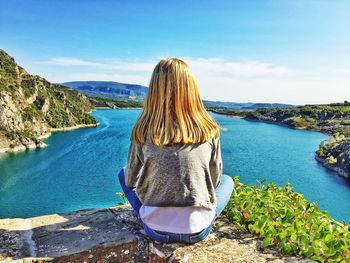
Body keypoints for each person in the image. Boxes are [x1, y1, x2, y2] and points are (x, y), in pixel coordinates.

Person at [118, 58, 234, 244]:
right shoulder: (208, 129)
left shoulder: (143, 130)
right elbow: (215, 180)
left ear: (155, 90)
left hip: (155, 230)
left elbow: (131, 180)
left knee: (122, 174)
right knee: (228, 181)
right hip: (198, 230)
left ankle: (150, 214)